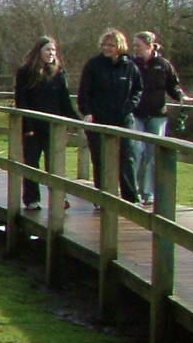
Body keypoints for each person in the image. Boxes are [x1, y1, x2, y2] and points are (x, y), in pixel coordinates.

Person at [77, 28, 143, 205]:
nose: (107, 48)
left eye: (111, 45)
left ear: (119, 46)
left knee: (127, 157)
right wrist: (87, 112)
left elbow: (138, 89)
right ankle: (102, 196)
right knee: (100, 158)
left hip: (123, 118)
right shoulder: (93, 65)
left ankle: (131, 198)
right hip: (99, 118)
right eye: (104, 45)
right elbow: (84, 92)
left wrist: (131, 105)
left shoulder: (129, 66)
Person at [130, 30, 193, 206]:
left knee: (152, 155)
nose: (134, 48)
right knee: (135, 151)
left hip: (157, 115)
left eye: (138, 45)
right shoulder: (130, 63)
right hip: (135, 114)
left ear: (150, 46)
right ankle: (131, 191)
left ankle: (148, 193)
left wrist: (181, 96)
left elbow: (173, 86)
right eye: (134, 45)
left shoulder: (163, 65)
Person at [13, 36, 78, 209]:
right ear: (39, 51)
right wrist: (27, 127)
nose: (51, 53)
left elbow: (64, 102)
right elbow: (21, 101)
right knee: (32, 162)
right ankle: (31, 199)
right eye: (48, 50)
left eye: (53, 50)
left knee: (55, 164)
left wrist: (78, 121)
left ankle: (59, 198)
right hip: (33, 125)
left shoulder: (58, 72)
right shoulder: (26, 72)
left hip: (53, 126)